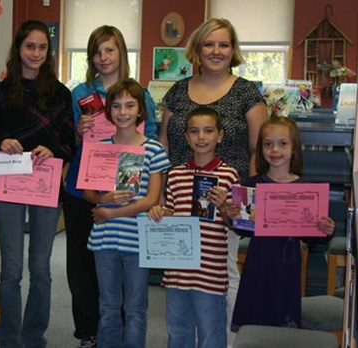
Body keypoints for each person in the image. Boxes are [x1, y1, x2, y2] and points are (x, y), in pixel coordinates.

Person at [158, 18, 268, 346]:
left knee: (222, 275)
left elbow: (257, 150)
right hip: (179, 195)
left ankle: (226, 342)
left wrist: (241, 205)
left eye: (223, 44)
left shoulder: (247, 92)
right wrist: (161, 194)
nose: (216, 51)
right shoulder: (178, 91)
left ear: (233, 50)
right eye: (209, 44)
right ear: (197, 49)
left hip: (224, 201)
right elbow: (164, 144)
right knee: (182, 278)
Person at [63, 25, 159, 348]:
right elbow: (70, 143)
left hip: (129, 191)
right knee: (83, 265)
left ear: (121, 53)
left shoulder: (139, 93)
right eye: (97, 51)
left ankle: (121, 333)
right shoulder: (79, 93)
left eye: (110, 50)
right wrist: (78, 130)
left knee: (126, 270)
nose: (103, 58)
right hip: (85, 188)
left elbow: (153, 142)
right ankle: (90, 333)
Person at [0, 20, 75, 347]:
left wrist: (55, 149)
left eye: (41, 47)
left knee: (40, 268)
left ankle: (34, 337)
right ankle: (9, 338)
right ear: (18, 49)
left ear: (48, 52)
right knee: (10, 271)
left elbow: (69, 142)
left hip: (46, 185)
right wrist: (3, 141)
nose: (35, 53)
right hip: (8, 183)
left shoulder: (61, 94)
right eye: (29, 46)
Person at [83, 79, 171, 348]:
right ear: (108, 111)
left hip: (137, 240)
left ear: (140, 110)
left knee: (135, 308)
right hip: (104, 240)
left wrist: (111, 213)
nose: (123, 112)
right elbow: (88, 193)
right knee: (108, 307)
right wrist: (103, 198)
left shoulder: (153, 149)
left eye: (130, 105)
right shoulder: (99, 147)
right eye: (117, 106)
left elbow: (151, 199)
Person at [226, 116, 335, 331]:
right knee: (254, 324)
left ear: (294, 148)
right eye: (268, 144)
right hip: (258, 262)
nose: (275, 150)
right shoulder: (251, 185)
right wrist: (232, 216)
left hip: (287, 266)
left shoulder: (305, 189)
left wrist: (327, 230)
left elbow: (312, 236)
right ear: (261, 149)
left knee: (282, 325)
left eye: (282, 144)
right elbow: (241, 229)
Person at [148, 107, 240, 348]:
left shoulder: (229, 175)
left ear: (220, 136)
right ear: (186, 137)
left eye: (208, 131)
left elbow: (236, 225)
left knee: (211, 335)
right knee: (177, 332)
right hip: (177, 273)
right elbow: (170, 213)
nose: (201, 137)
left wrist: (223, 208)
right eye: (194, 131)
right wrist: (159, 213)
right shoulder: (176, 175)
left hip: (210, 274)